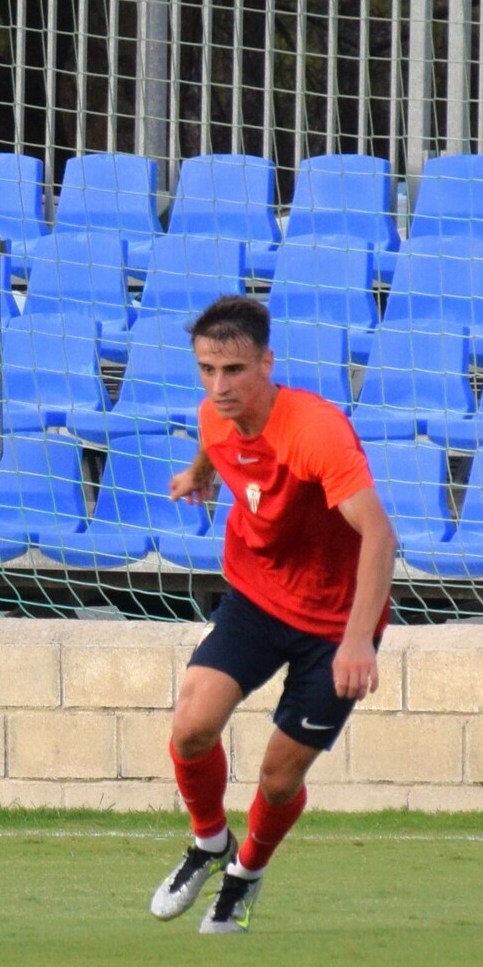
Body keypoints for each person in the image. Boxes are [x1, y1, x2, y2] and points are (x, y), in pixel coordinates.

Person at [152, 295, 397, 934]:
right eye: (207, 370)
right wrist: (198, 474)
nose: (219, 386)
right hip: (259, 596)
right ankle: (210, 843)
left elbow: (380, 534)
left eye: (233, 370)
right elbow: (214, 440)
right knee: (191, 725)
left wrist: (357, 642)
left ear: (266, 362)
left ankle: (245, 875)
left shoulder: (315, 431)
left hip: (335, 623)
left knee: (279, 777)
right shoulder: (213, 414)